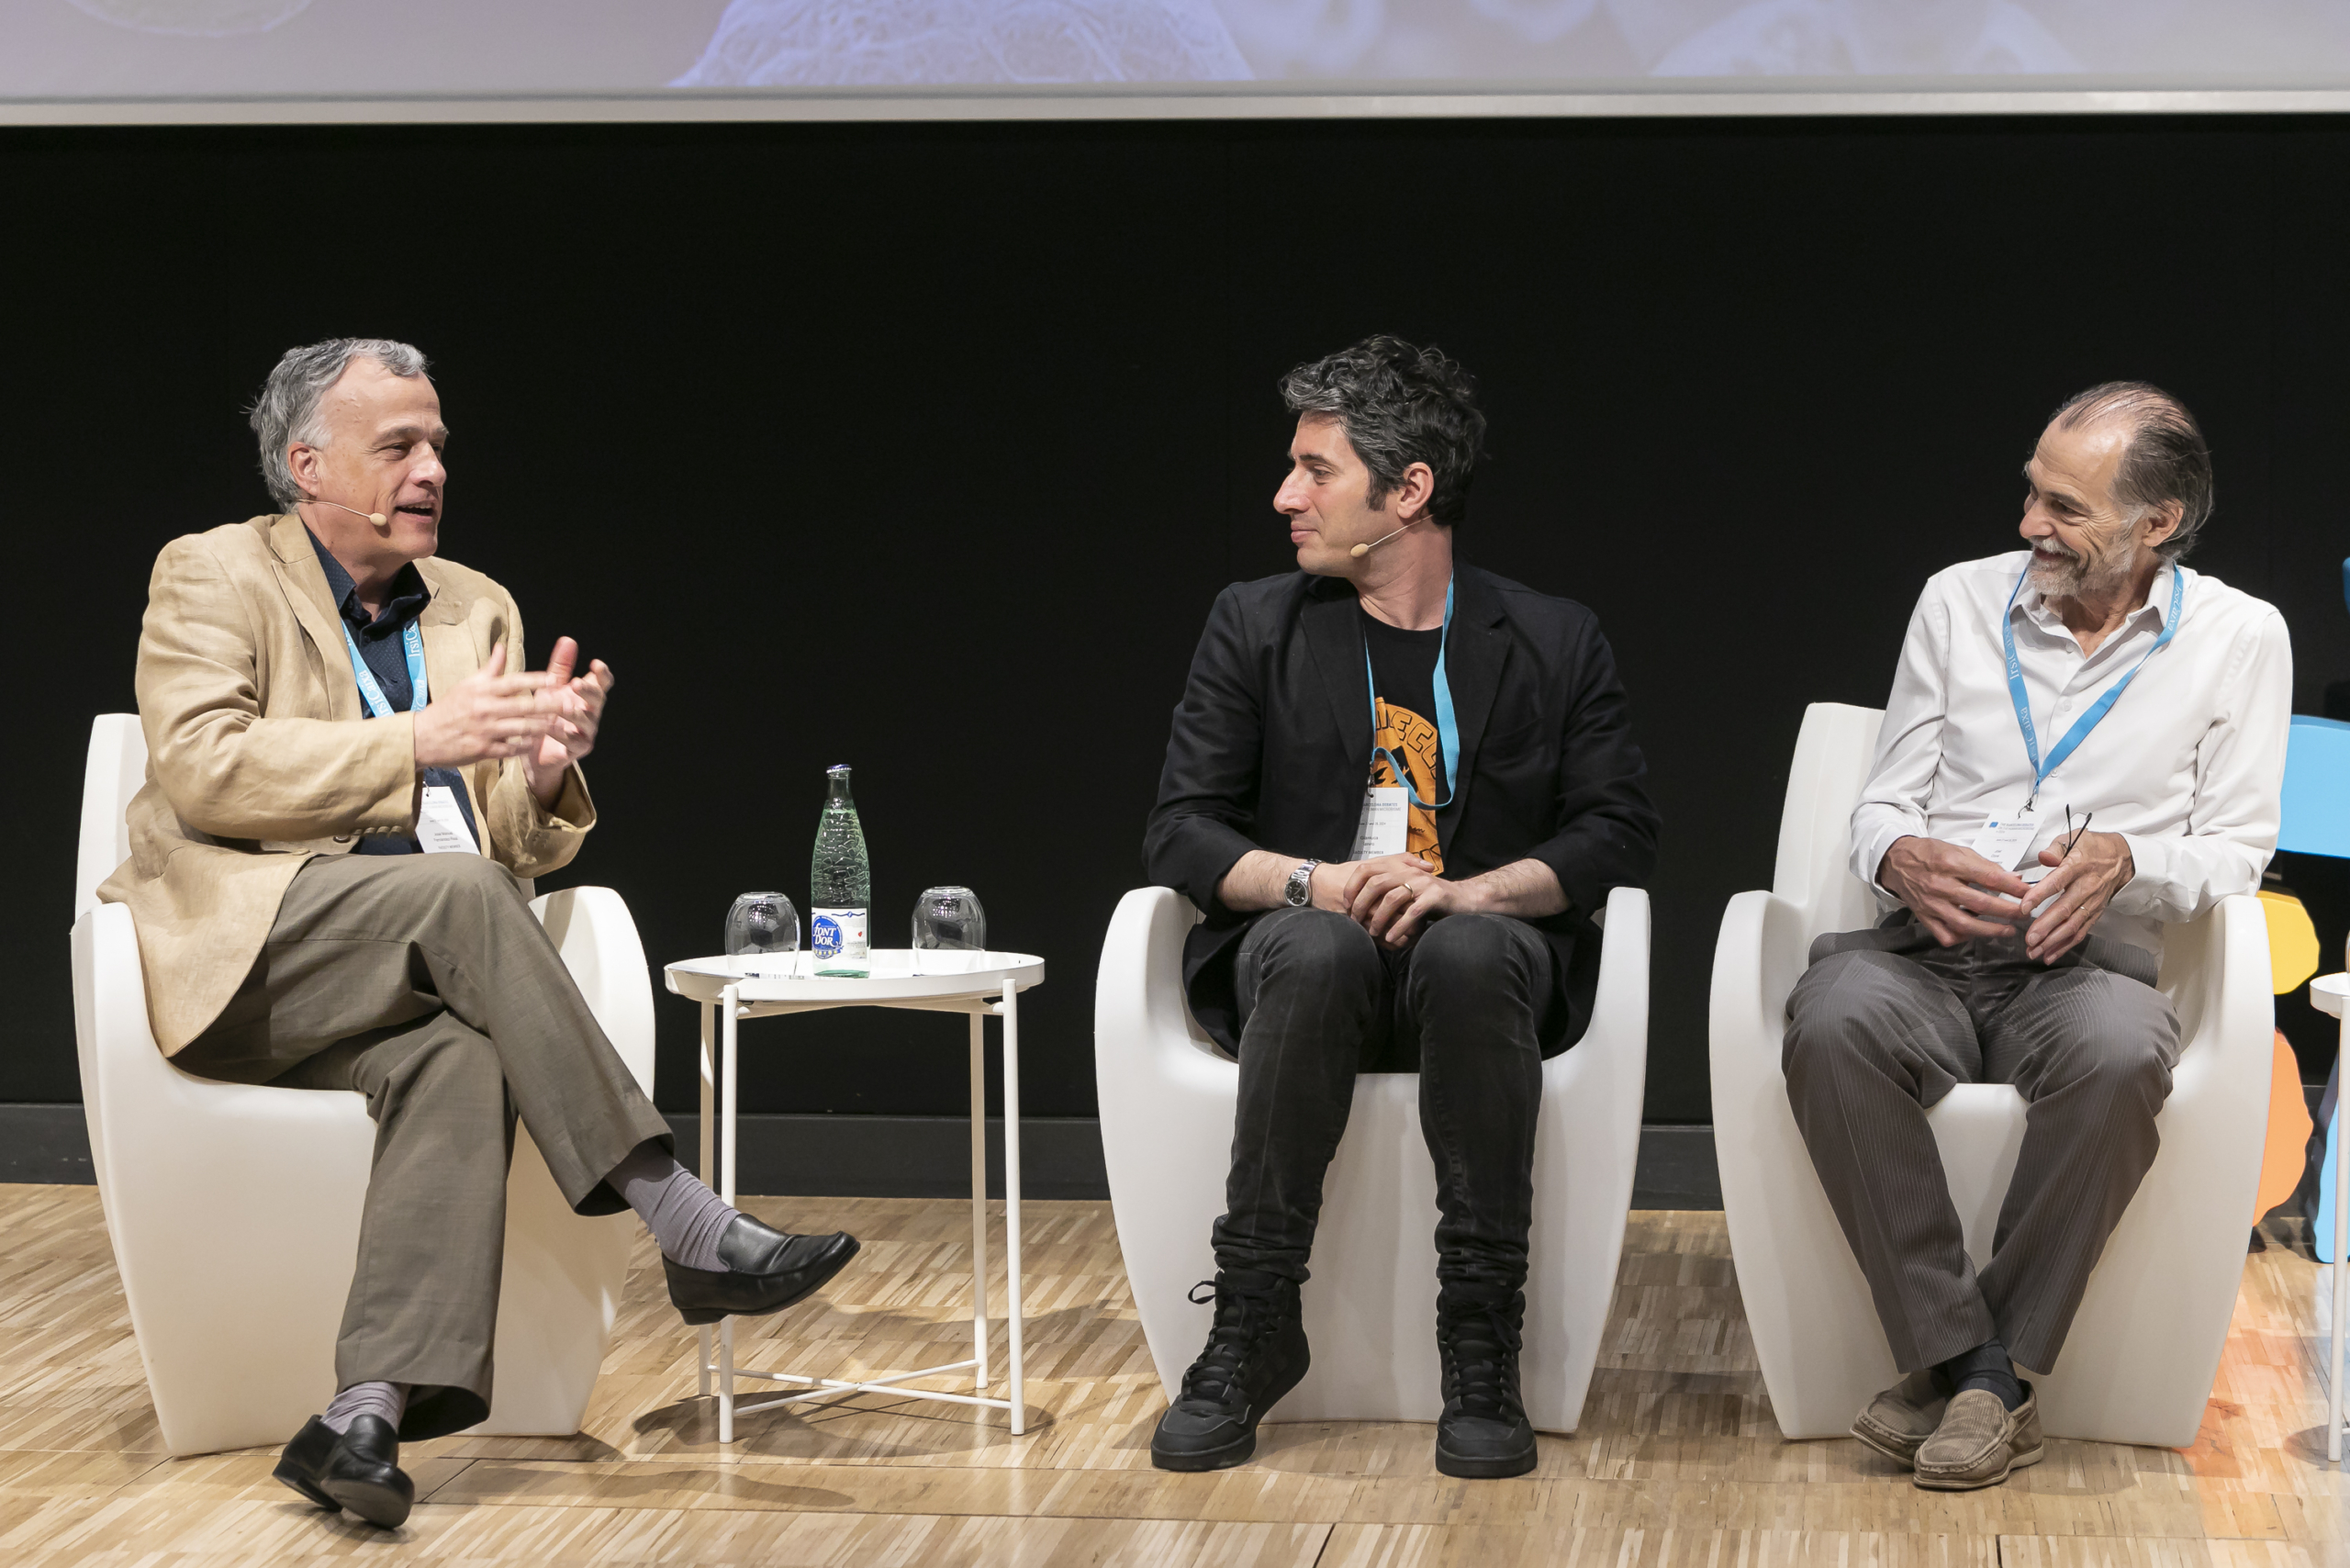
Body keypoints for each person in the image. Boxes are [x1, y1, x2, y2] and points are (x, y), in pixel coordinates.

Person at [97, 339, 861, 1530]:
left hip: (410, 971)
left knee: (457, 1057)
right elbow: (205, 770)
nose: (432, 469)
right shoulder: (213, 571)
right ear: (307, 464)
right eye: (398, 444)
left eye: (439, 445)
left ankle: (362, 1416)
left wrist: (543, 772)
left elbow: (508, 850)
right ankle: (681, 1216)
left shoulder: (474, 604)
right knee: (458, 898)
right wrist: (418, 740)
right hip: (252, 957)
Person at [1141, 336, 1661, 1478]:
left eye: (1315, 470)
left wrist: (1473, 890)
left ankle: (1479, 1338)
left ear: (1408, 489)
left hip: (1479, 979)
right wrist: (1315, 882)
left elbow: (1617, 830)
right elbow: (1181, 830)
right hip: (1301, 966)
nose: (1285, 496)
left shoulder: (1551, 637)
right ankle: (1250, 1321)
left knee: (1470, 950)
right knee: (1319, 947)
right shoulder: (1256, 624)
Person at [1783, 383, 2290, 1491]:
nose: (2028, 525)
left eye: (2064, 507)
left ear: (2156, 523)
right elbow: (1882, 802)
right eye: (2030, 492)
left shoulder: (2240, 637)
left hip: (2081, 962)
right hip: (1926, 950)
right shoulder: (1957, 600)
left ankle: (1971, 1370)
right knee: (1828, 1019)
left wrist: (2128, 858)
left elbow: (2237, 850)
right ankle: (1981, 1370)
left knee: (2122, 1050)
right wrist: (1898, 854)